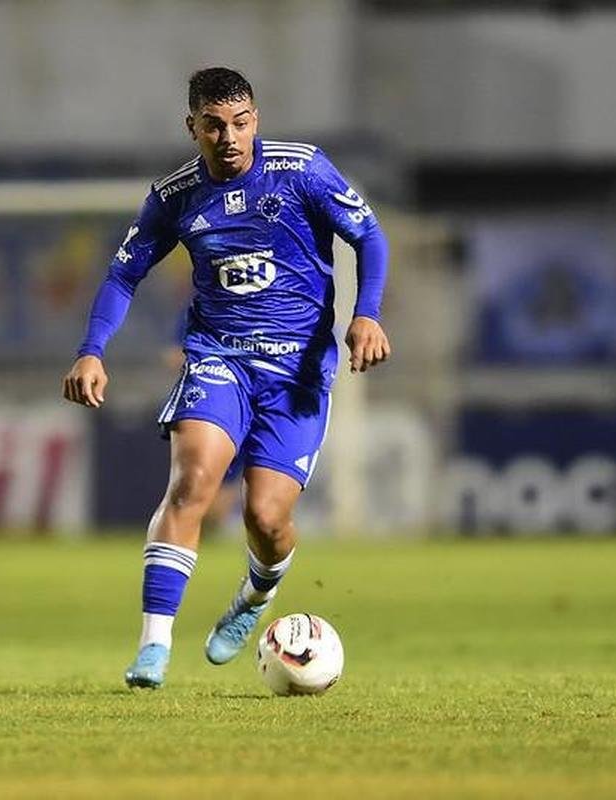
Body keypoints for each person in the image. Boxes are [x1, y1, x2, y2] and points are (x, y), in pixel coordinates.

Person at [62, 67, 391, 688]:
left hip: (297, 370)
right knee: (193, 484)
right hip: (219, 356)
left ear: (255, 120)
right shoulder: (174, 196)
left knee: (265, 519)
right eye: (214, 125)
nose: (229, 137)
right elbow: (122, 274)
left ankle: (255, 595)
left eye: (240, 123)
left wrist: (365, 314)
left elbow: (369, 236)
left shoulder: (304, 170)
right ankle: (153, 645)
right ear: (193, 128)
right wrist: (91, 350)